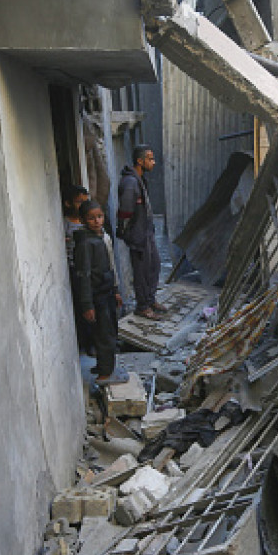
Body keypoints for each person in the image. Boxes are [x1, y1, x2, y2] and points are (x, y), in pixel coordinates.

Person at [74, 200, 127, 385]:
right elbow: (84, 275)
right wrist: (87, 304)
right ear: (82, 220)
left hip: (107, 292)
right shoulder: (85, 244)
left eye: (99, 216)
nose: (97, 221)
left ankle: (105, 366)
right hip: (97, 296)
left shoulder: (103, 237)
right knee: (104, 334)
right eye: (91, 218)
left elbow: (110, 266)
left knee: (108, 330)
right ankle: (105, 373)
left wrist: (115, 290)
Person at [118, 145, 165, 319]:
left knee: (154, 265)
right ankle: (143, 306)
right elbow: (125, 212)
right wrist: (127, 233)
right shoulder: (130, 183)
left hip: (146, 232)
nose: (153, 162)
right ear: (140, 161)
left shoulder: (139, 178)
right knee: (142, 271)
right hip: (138, 235)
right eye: (150, 159)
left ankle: (150, 300)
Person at [63, 185, 92, 353]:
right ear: (68, 203)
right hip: (75, 269)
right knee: (82, 307)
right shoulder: (65, 223)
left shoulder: (90, 221)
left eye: (85, 201)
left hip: (90, 270)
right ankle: (85, 342)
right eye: (78, 202)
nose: (82, 205)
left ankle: (92, 341)